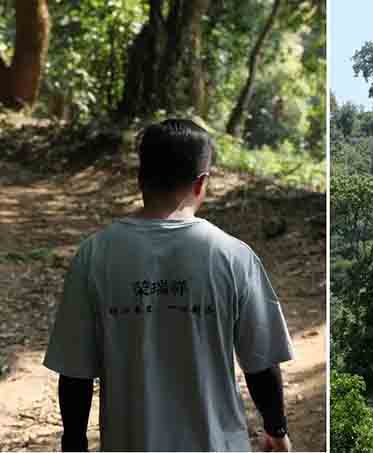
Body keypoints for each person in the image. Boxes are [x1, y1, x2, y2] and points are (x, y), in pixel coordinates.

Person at [44, 118, 294, 452]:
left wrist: (73, 444)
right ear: (201, 183)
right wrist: (276, 429)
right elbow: (261, 364)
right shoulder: (233, 256)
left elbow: (75, 373)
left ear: (140, 178)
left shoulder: (95, 255)